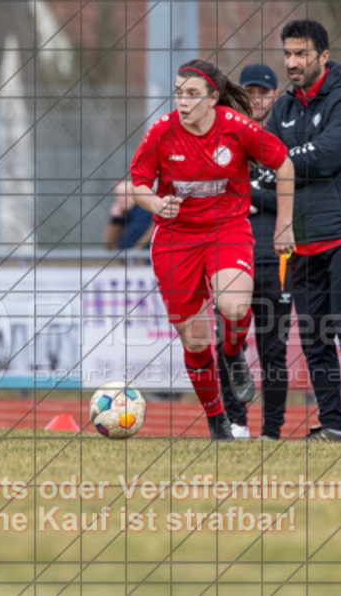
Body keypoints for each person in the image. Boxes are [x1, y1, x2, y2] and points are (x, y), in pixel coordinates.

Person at [128, 58, 296, 440]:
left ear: (213, 98)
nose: (182, 103)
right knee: (197, 340)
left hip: (227, 230)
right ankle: (217, 418)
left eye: (191, 95)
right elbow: (138, 183)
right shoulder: (161, 133)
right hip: (176, 240)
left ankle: (234, 354)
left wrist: (284, 223)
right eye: (178, 94)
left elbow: (284, 164)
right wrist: (154, 203)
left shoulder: (236, 129)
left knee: (235, 306)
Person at [266, 19, 341, 444]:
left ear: (323, 57)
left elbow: (326, 156)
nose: (292, 63)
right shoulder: (284, 107)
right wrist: (278, 165)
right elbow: (264, 157)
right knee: (314, 339)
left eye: (301, 54)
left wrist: (283, 162)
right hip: (302, 241)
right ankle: (331, 424)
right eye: (288, 54)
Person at [214, 63, 289, 441]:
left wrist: (253, 198)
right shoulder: (226, 136)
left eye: (263, 91)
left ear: (274, 95)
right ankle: (236, 422)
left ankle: (272, 431)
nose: (256, 98)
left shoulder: (286, 135)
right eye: (250, 91)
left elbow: (296, 195)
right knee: (229, 346)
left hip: (275, 264)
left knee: (274, 352)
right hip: (230, 259)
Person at [103, 180, 153, 251]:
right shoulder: (126, 214)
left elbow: (123, 247)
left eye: (126, 194)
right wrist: (116, 220)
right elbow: (109, 246)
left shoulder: (143, 213)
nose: (122, 199)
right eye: (119, 195)